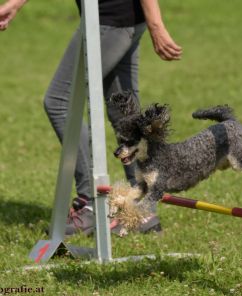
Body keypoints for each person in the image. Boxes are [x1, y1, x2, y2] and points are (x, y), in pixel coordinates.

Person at [0, 0, 182, 236]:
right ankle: (140, 208)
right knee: (123, 110)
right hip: (121, 17)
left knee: (60, 102)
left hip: (109, 19)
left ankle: (92, 204)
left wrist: (156, 25)